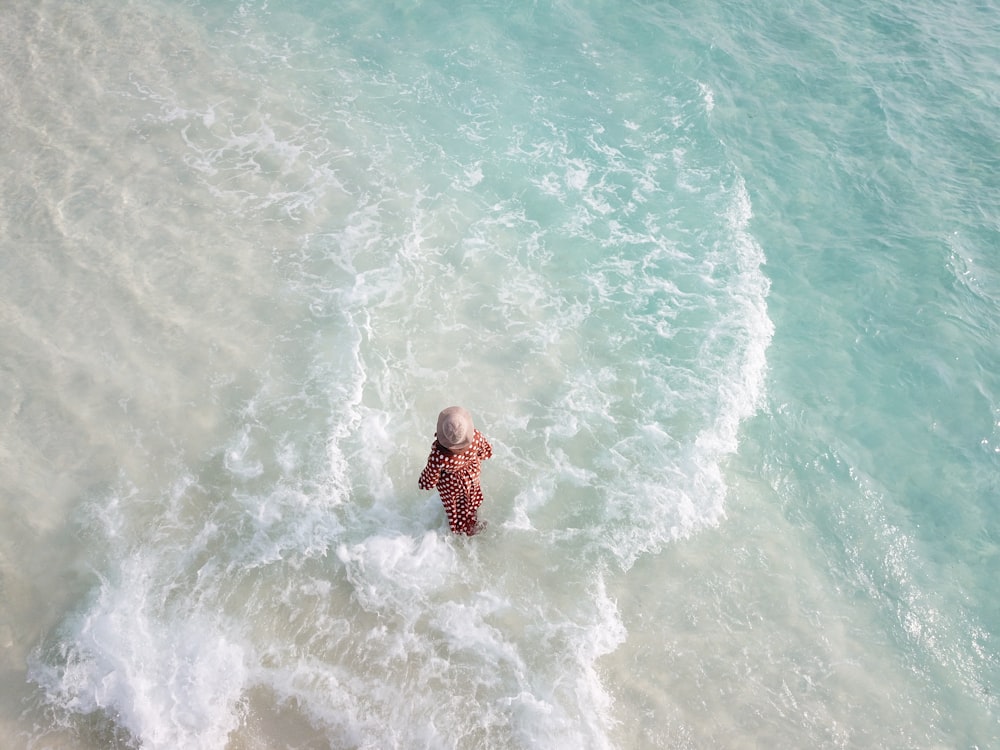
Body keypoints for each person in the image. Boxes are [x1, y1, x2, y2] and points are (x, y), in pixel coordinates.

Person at [418, 406, 493, 535]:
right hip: (472, 474)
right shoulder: (476, 437)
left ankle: (463, 530)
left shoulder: (439, 455)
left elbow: (431, 478)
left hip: (452, 485)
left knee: (456, 508)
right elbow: (486, 452)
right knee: (470, 498)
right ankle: (473, 521)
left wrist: (423, 483)